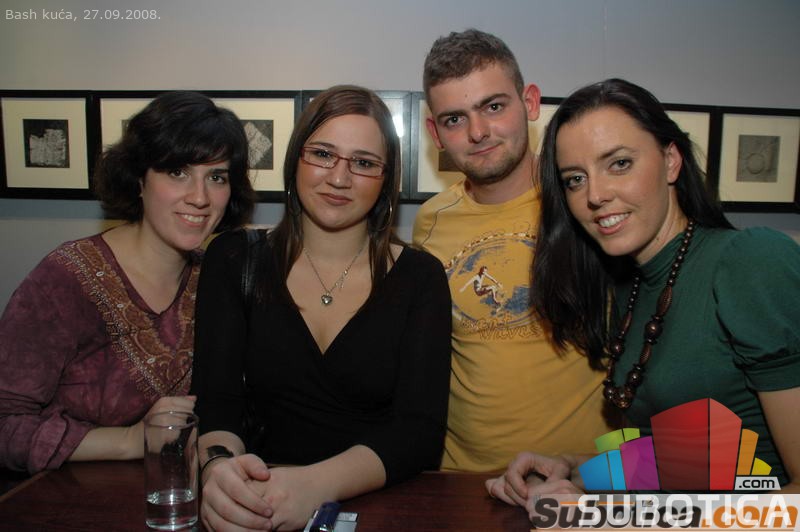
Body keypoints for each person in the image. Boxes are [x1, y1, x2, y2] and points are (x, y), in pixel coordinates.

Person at [487, 79, 800, 508]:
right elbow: (693, 458)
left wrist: (609, 519)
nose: (595, 195)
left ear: (670, 161)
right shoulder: (632, 286)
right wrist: (573, 469)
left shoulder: (751, 261)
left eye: (619, 164)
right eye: (575, 179)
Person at [192, 85, 451, 531]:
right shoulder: (233, 259)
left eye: (364, 163)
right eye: (323, 154)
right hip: (257, 499)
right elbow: (217, 403)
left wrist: (314, 485)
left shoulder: (421, 277)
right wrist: (219, 472)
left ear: (387, 180)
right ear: (296, 158)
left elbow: (419, 432)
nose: (339, 178)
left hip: (379, 507)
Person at [0, 91, 255, 473]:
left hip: (182, 492)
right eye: (178, 172)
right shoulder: (65, 279)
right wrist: (129, 440)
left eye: (216, 177)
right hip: (68, 495)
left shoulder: (218, 278)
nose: (200, 197)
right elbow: (5, 424)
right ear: (138, 179)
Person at [413, 28, 612, 473]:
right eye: (454, 119)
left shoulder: (588, 202)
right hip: (459, 480)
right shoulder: (430, 222)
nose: (478, 132)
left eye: (494, 107)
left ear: (530, 103)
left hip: (580, 479)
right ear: (435, 133)